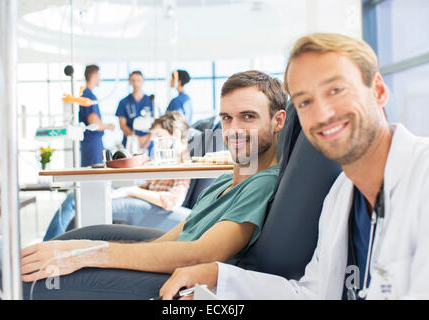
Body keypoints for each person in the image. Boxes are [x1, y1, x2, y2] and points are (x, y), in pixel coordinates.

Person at [159, 33, 429, 300]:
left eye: (336, 90)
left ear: (379, 91)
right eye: (305, 102)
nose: (322, 114)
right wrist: (217, 278)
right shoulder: (341, 197)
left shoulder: (422, 176)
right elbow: (312, 293)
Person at [0, 70, 287, 299]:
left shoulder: (262, 184)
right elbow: (171, 241)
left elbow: (200, 255)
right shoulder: (225, 180)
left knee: (4, 277)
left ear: (278, 121)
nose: (233, 129)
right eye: (227, 118)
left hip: (174, 283)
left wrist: (86, 255)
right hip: (161, 264)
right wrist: (81, 248)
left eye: (248, 117)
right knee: (0, 262)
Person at [43, 112, 192, 241]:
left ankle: (49, 246)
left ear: (176, 135)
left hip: (156, 210)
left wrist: (130, 191)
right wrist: (124, 191)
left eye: (159, 136)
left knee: (81, 200)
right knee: (78, 196)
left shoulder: (183, 161)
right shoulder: (168, 161)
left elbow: (173, 201)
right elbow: (148, 187)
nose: (155, 142)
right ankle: (54, 245)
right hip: (143, 204)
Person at [79, 65, 115, 167]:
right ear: (94, 75)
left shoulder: (85, 94)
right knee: (95, 175)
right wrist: (109, 126)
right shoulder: (89, 96)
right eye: (99, 75)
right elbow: (94, 124)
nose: (100, 78)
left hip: (90, 144)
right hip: (93, 144)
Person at [115, 71, 154, 150]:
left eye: (138, 80)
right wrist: (135, 139)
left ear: (143, 81)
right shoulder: (124, 102)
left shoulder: (151, 101)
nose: (136, 83)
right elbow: (122, 125)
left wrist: (146, 141)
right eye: (133, 80)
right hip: (130, 143)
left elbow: (156, 124)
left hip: (148, 143)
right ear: (129, 82)